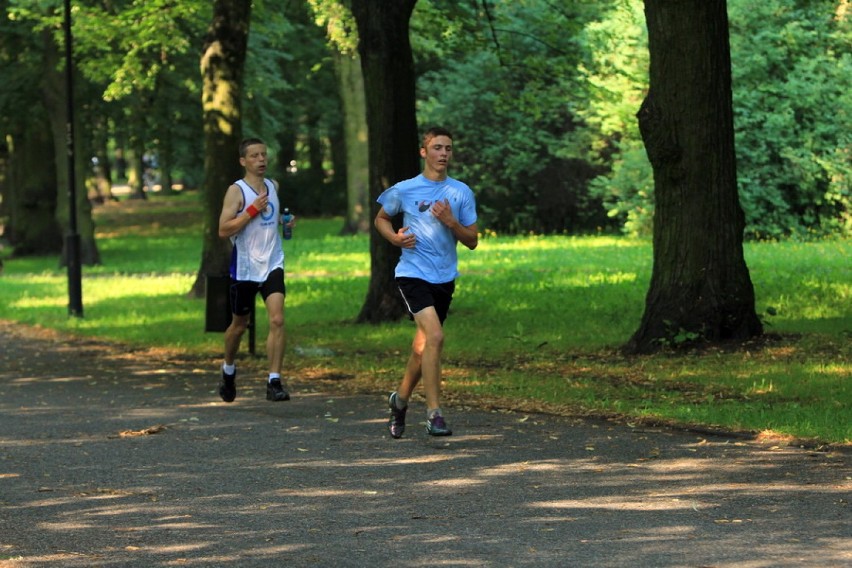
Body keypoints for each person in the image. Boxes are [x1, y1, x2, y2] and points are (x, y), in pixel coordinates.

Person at [374, 126, 479, 437]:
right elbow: (381, 217)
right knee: (435, 337)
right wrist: (394, 237)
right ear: (424, 152)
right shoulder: (405, 190)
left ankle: (400, 400)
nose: (443, 153)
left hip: (444, 277)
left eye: (448, 148)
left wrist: (451, 222)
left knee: (422, 348)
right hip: (412, 274)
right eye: (437, 148)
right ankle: (434, 413)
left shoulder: (461, 192)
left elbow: (472, 240)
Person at [217, 137, 295, 403]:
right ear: (243, 161)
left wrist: (287, 223)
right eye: (254, 156)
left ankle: (274, 380)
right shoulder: (236, 191)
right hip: (245, 267)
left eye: (263, 155)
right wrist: (251, 210)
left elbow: (273, 222)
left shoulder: (273, 186)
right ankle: (228, 369)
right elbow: (223, 229)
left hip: (272, 262)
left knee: (277, 319)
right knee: (239, 325)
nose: (261, 159)